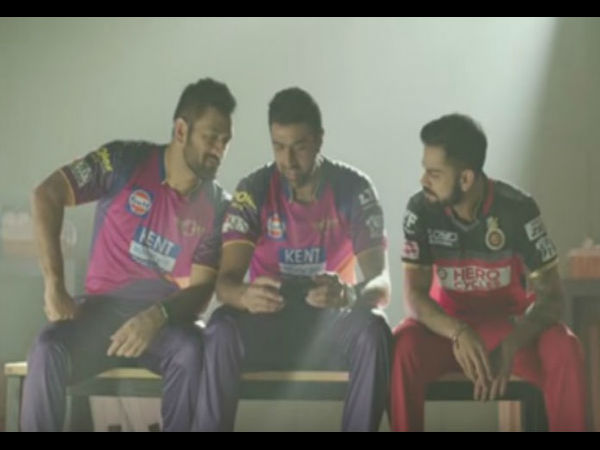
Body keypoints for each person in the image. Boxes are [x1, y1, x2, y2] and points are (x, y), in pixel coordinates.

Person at [21, 77, 236, 431]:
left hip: (166, 324)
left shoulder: (219, 206)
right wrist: (54, 285)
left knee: (192, 350)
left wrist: (157, 316)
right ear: (181, 130)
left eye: (225, 141)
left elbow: (201, 290)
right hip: (99, 314)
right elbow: (46, 194)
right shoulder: (123, 160)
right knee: (47, 347)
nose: (218, 150)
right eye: (211, 137)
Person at [193, 87, 392, 432]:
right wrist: (245, 296)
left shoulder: (354, 188)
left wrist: (348, 294)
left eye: (299, 146)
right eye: (278, 146)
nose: (288, 160)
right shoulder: (254, 189)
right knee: (221, 326)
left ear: (319, 140)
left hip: (329, 322)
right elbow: (225, 284)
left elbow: (382, 282)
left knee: (374, 329)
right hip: (269, 317)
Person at [391, 113, 586, 431]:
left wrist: (512, 343)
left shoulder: (518, 208)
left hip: (507, 333)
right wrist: (458, 331)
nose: (423, 180)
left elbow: (552, 298)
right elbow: (414, 295)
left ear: (466, 179)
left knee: (565, 346)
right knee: (402, 345)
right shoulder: (421, 209)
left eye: (434, 173)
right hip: (448, 333)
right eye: (425, 170)